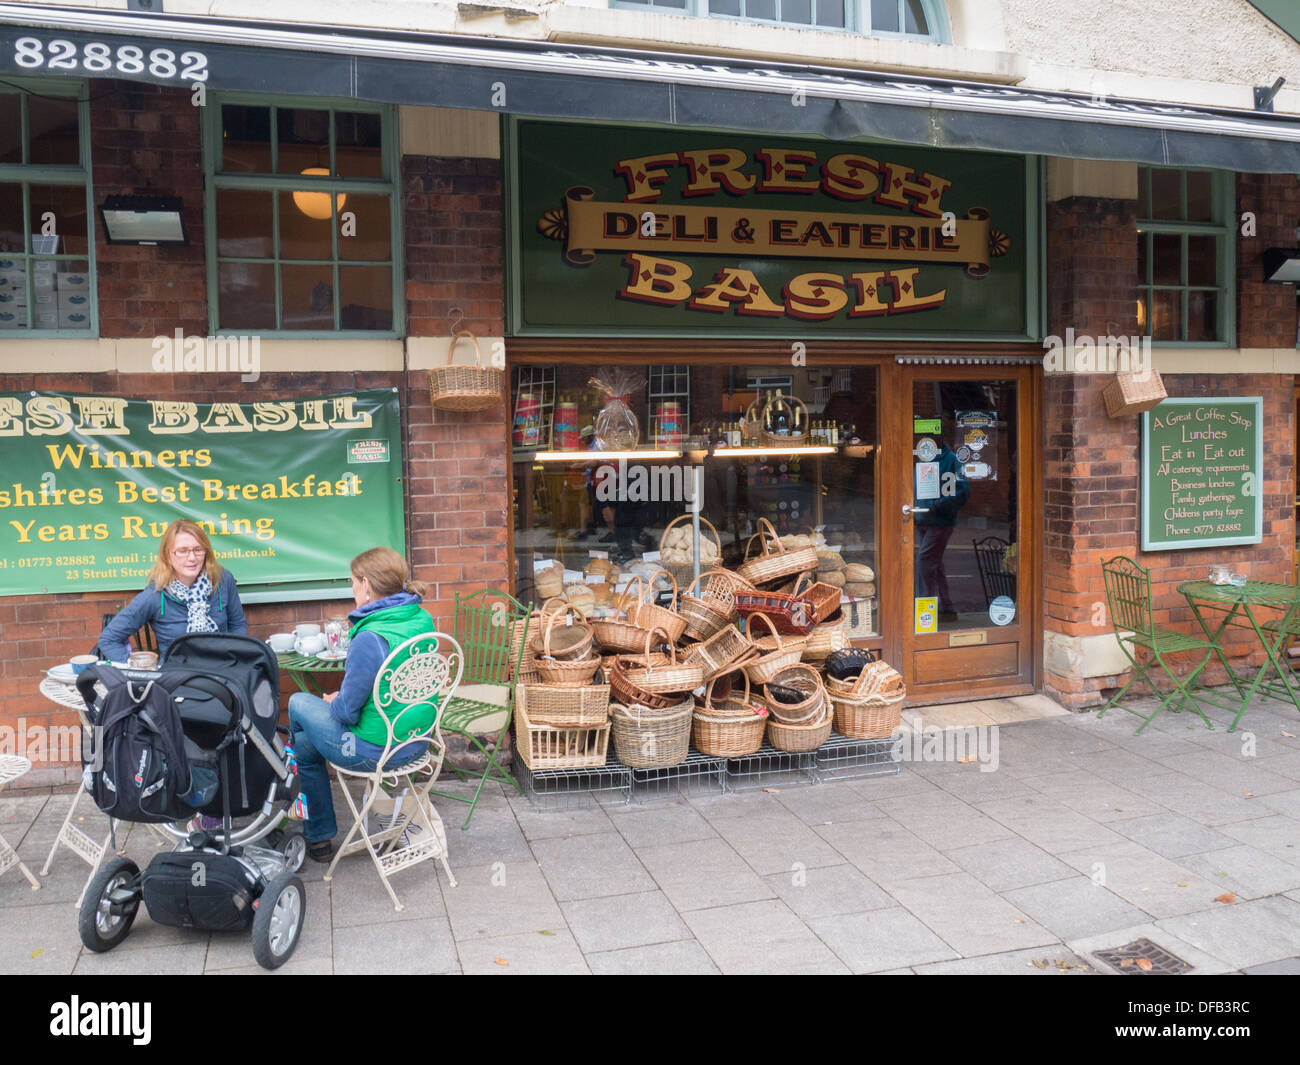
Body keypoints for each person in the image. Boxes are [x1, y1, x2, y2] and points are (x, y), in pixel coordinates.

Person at [287, 546, 438, 863]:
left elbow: (346, 713)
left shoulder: (369, 637)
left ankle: (313, 824)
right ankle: (316, 831)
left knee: (298, 702)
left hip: (375, 751)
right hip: (417, 741)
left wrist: (333, 701)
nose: (352, 589)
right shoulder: (421, 618)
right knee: (305, 740)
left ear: (366, 584)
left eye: (353, 583)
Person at [97, 519, 247, 663]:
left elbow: (238, 626)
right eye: (182, 551)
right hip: (178, 679)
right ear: (168, 556)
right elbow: (109, 639)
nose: (192, 557)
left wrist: (236, 660)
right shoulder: (155, 595)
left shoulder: (222, 579)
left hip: (224, 671)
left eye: (198, 550)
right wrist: (142, 669)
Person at [913, 438, 970, 623]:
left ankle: (926, 612)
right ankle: (947, 608)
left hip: (940, 521)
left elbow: (962, 491)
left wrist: (938, 506)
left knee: (925, 562)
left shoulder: (951, 459)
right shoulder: (923, 458)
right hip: (922, 519)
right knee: (934, 565)